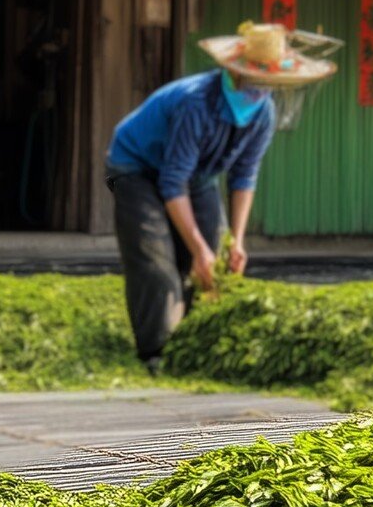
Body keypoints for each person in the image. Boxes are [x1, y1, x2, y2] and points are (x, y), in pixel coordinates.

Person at [105, 24, 290, 367]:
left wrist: (235, 241)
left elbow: (244, 177)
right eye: (254, 79)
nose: (260, 88)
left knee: (213, 259)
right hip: (133, 167)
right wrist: (198, 250)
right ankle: (156, 352)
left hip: (197, 175)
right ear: (235, 71)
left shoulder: (263, 112)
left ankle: (192, 339)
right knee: (155, 258)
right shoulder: (196, 103)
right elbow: (172, 184)